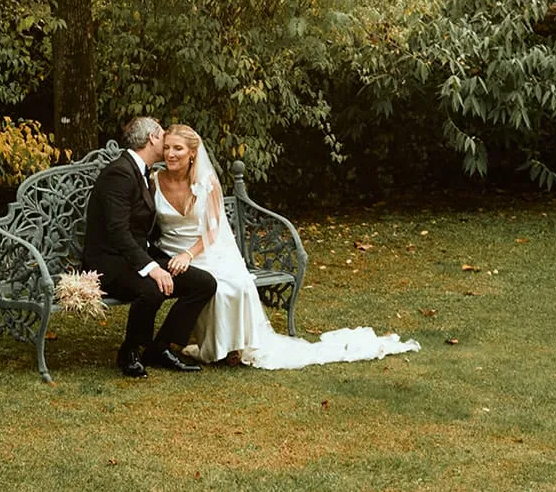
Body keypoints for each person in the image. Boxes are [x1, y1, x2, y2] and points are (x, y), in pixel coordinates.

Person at [155, 125, 421, 369]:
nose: (170, 153)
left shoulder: (206, 182)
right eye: (167, 147)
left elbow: (213, 229)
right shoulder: (155, 180)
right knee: (216, 286)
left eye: (177, 148)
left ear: (193, 153)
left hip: (202, 249)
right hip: (170, 248)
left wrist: (190, 254)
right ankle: (214, 347)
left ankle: (232, 348)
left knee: (237, 285)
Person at [82, 116, 216, 378]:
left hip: (134, 255)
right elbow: (118, 233)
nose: (167, 141)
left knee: (203, 283)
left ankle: (160, 347)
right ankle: (130, 351)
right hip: (107, 262)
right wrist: (153, 267)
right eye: (163, 135)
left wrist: (171, 255)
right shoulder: (120, 173)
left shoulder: (142, 172)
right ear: (153, 138)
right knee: (152, 288)